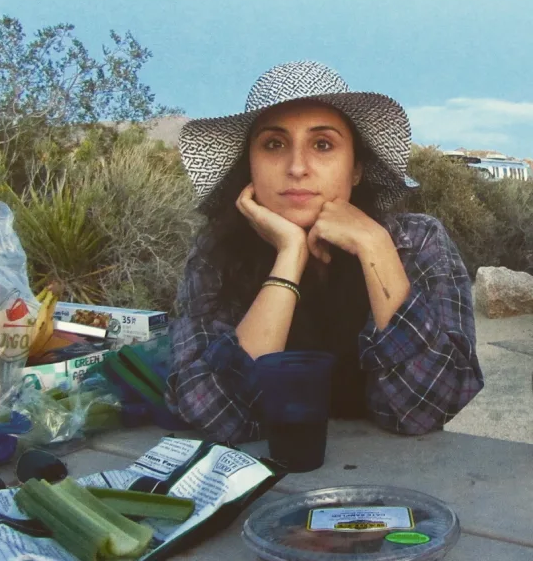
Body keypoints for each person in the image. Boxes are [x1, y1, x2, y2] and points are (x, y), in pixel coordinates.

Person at [165, 61, 483, 443]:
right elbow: (216, 414)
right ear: (249, 167)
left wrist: (374, 245)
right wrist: (289, 257)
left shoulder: (417, 242)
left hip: (396, 481)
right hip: (268, 483)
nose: (297, 167)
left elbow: (429, 407)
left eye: (322, 144)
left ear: (356, 170)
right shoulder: (216, 253)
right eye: (274, 144)